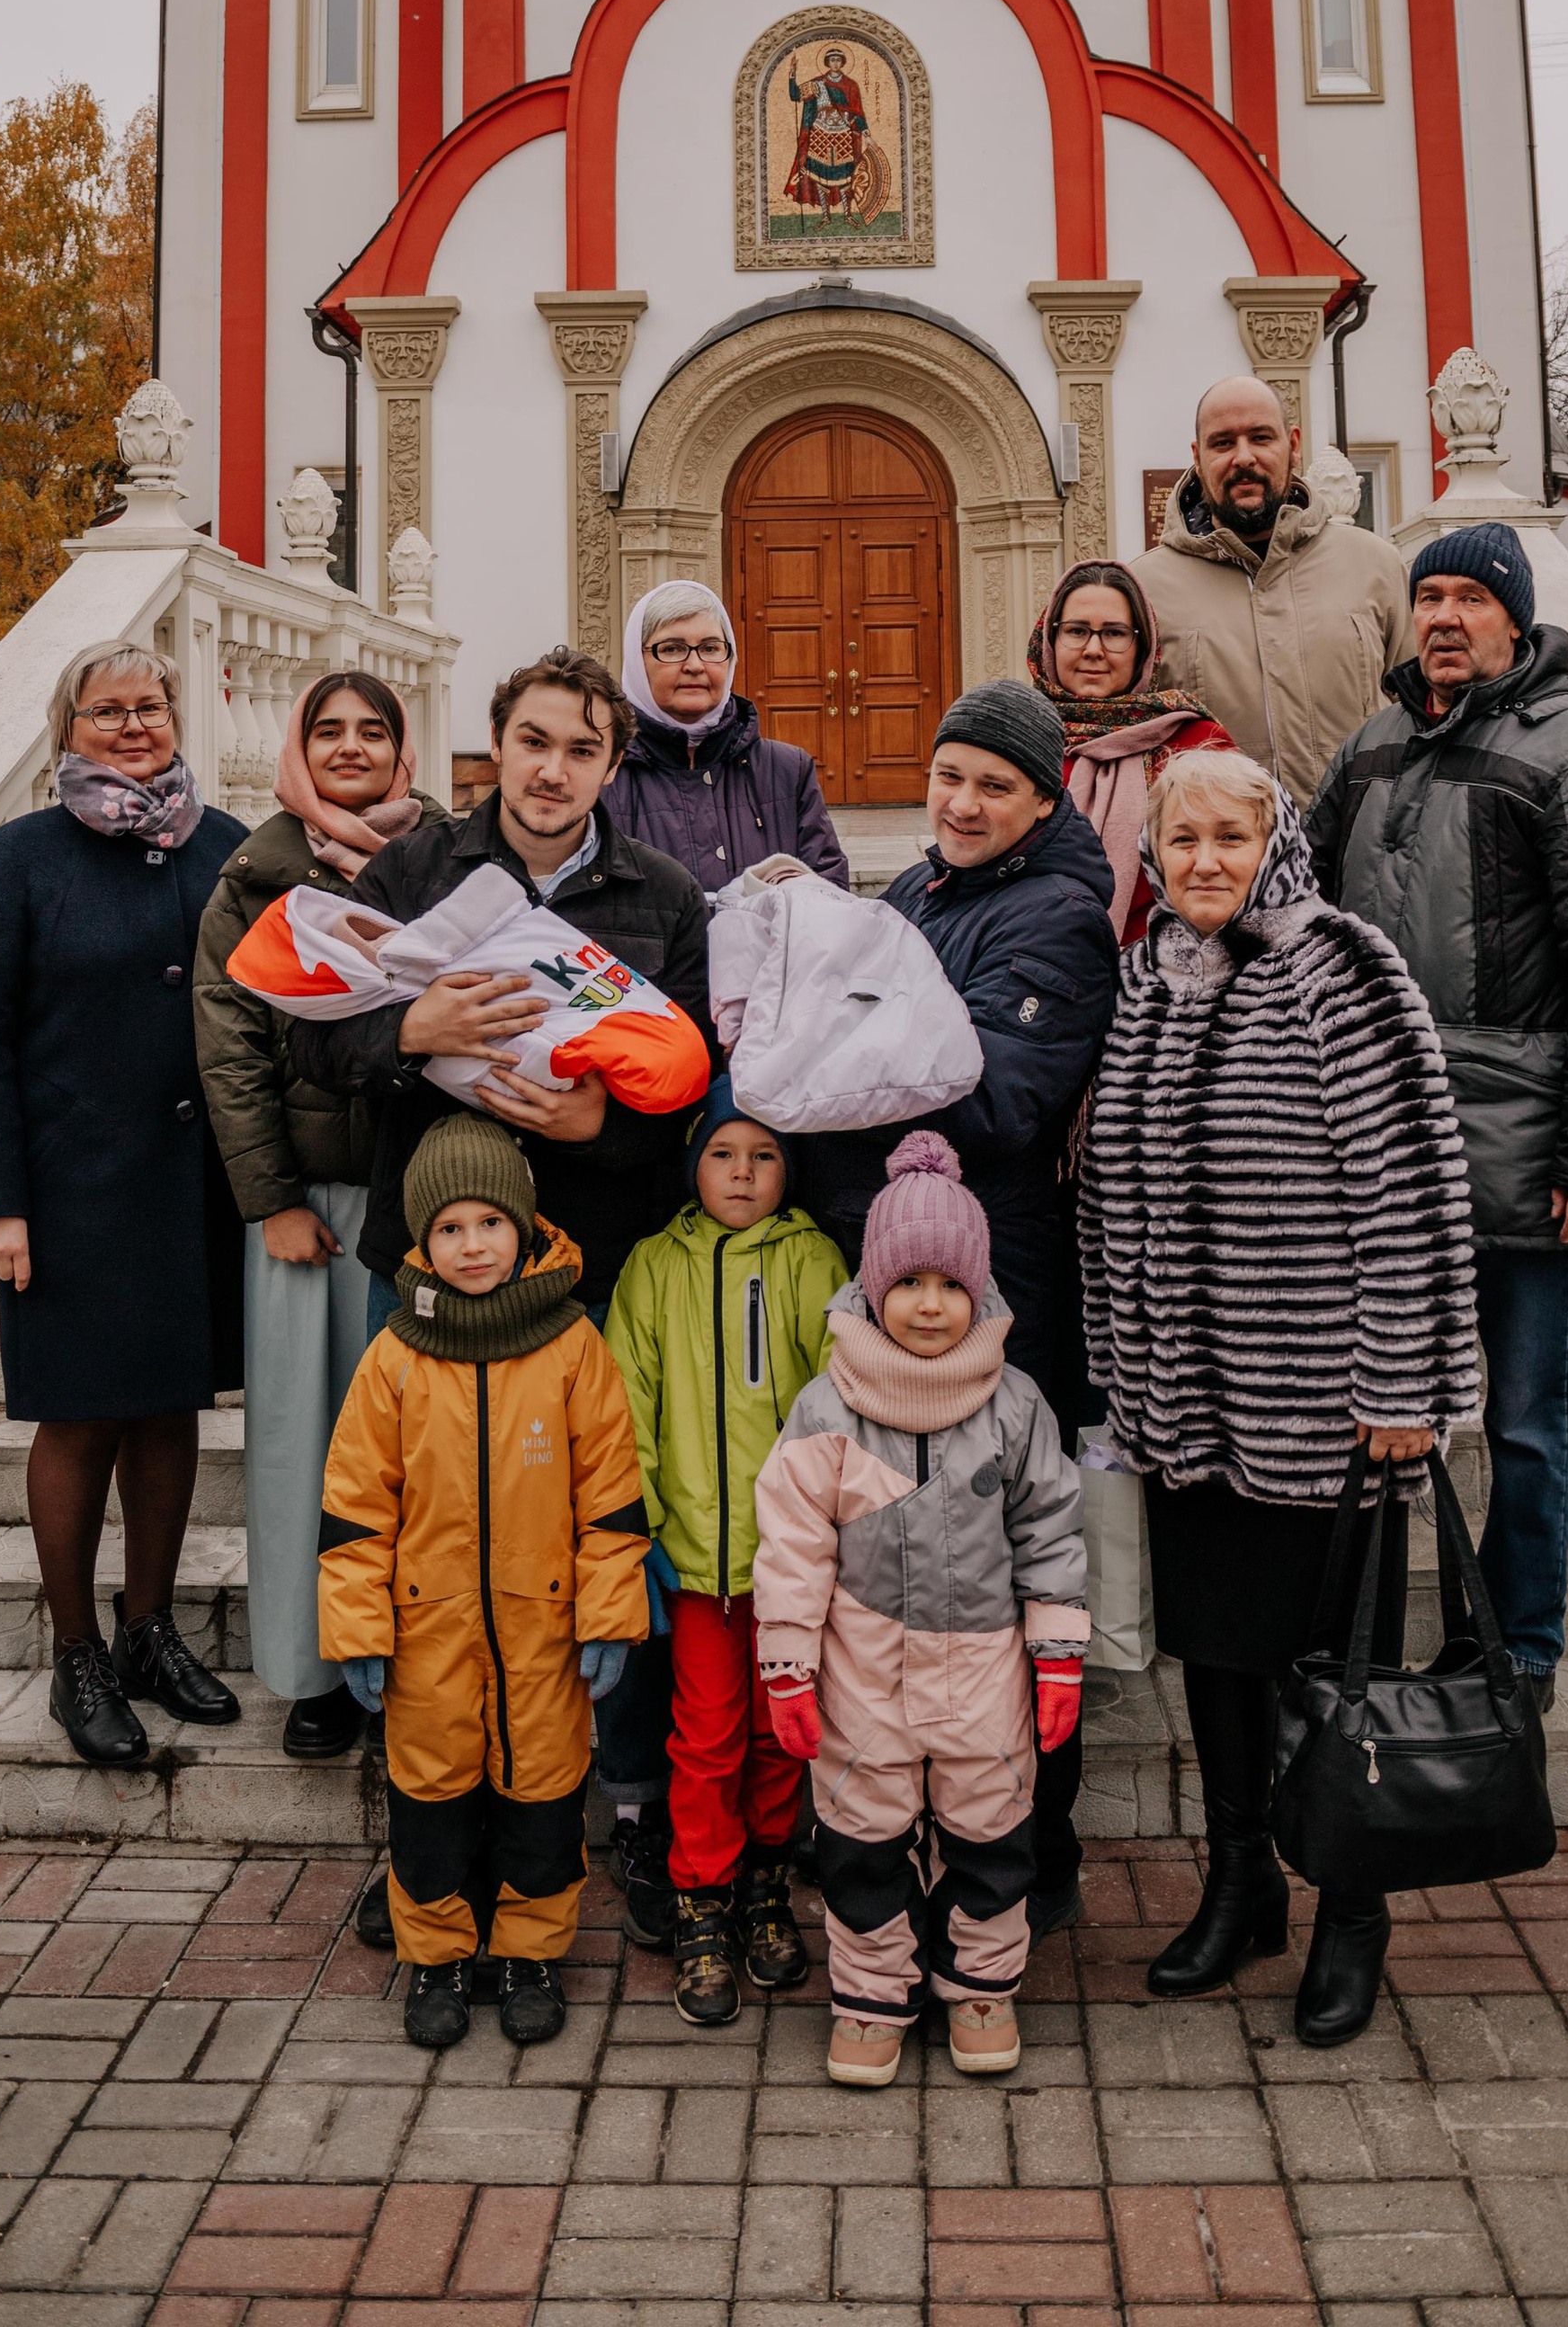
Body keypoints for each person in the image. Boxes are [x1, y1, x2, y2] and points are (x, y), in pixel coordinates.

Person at [287, 644, 713, 1950]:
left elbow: (698, 1089)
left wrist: (601, 1123)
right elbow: (308, 1032)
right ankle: (433, 1841)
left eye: (582, 749)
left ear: (611, 761)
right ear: (496, 744)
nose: (553, 769)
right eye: (534, 741)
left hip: (592, 1277)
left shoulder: (661, 897)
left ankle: (627, 1816)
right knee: (430, 1554)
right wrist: (402, 1035)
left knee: (598, 1548)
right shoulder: (417, 872)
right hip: (433, 1282)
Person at [1079, 746, 1481, 2049]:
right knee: (1222, 1664)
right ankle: (1241, 1880)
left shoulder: (1340, 969)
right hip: (1189, 1407)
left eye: (1228, 841)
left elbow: (1409, 1186)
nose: (1202, 862)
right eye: (1180, 839)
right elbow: (1115, 1190)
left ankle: (1351, 1914)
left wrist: (1405, 1379)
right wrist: (1121, 1367)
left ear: (1276, 847)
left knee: (1335, 1677)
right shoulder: (1150, 980)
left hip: (1325, 1407)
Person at [1304, 520, 1568, 1708]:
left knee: (1524, 1424)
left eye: (1469, 596)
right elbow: (1298, 916)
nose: (1444, 616)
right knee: (1380, 1410)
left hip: (1518, 1150)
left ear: (1514, 616)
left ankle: (1518, 1651)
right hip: (1378, 1149)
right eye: (1429, 596)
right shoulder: (1372, 746)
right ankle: (1362, 1643)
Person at [787, 678, 1118, 1938]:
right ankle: (906, 1829)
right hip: (902, 1277)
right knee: (898, 1566)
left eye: (994, 784)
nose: (962, 802)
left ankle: (1034, 1849)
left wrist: (821, 1070)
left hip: (998, 1288)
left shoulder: (1060, 918)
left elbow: (992, 1101)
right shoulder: (921, 892)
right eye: (950, 776)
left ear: (1041, 801)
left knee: (996, 1576)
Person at [0, 642, 245, 1768]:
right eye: (106, 710)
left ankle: (148, 1632)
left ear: (178, 716)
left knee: (170, 1413)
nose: (132, 725)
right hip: (68, 1192)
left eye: (150, 706)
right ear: (68, 727)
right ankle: (75, 1655)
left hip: (191, 1189)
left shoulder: (221, 847)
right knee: (78, 1417)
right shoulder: (19, 858)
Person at [752, 1138, 1089, 2089]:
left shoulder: (1016, 1408)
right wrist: (787, 1663)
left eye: (949, 1283)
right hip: (862, 1668)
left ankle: (979, 1984)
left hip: (985, 1672)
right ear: (873, 1290)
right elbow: (791, 1546)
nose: (929, 1304)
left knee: (990, 1832)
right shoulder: (828, 1411)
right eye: (908, 1283)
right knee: (861, 1840)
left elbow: (1050, 1532)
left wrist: (1058, 1651)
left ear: (978, 1293)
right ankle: (871, 1996)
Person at [317, 1112, 649, 2054]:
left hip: (544, 1631)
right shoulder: (393, 1358)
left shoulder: (573, 1346)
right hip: (428, 1636)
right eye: (451, 1229)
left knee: (543, 1795)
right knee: (429, 1800)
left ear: (526, 1226)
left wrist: (609, 1611)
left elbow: (610, 1497)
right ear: (422, 1239)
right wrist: (358, 1630)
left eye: (490, 1225)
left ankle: (531, 1953)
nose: (472, 1247)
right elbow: (354, 1510)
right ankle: (437, 1955)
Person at [194, 671, 449, 1760]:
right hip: (312, 1214)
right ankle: (316, 1671)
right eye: (328, 728)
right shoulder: (257, 875)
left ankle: (421, 1659)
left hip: (427, 1200)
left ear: (403, 748)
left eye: (373, 730)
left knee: (419, 1451)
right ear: (299, 745)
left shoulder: (447, 859)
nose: (351, 746)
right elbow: (231, 1050)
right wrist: (273, 1203)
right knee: (307, 1442)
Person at [605, 1077, 848, 2026]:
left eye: (763, 1156)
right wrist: (646, 1523)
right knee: (705, 1735)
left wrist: (826, 1527)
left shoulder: (813, 1259)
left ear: (789, 1169)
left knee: (776, 1733)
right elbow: (627, 1404)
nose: (742, 1174)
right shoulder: (653, 1267)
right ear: (691, 1164)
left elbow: (837, 1399)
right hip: (697, 1566)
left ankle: (763, 1884)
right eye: (721, 1153)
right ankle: (700, 1897)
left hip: (788, 1567)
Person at [1131, 376, 1412, 805]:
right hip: (1217, 860)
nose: (1244, 457)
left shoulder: (1376, 566)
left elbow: (1425, 712)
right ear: (1198, 456)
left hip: (1358, 852)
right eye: (1222, 443)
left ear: (1293, 445)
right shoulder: (1145, 589)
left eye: (1261, 438)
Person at [601, 578, 850, 896]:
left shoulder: (786, 770)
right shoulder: (601, 771)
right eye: (672, 649)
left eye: (710, 648)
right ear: (637, 662)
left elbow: (829, 892)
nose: (694, 665)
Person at [1027, 560, 1229, 943]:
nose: (1093, 649)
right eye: (1076, 631)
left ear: (1143, 647)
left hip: (1170, 973)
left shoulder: (1195, 743)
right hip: (1034, 962)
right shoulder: (1018, 736)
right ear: (1049, 640)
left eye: (1115, 633)